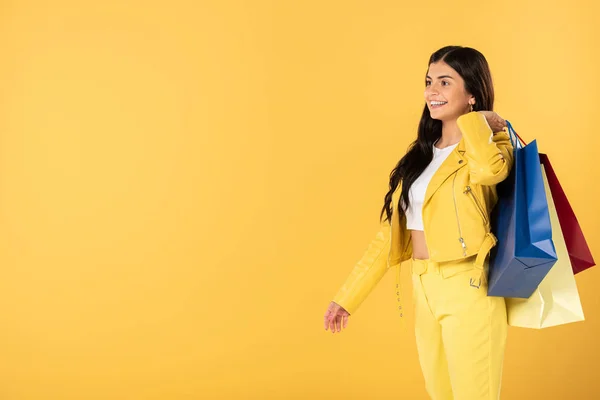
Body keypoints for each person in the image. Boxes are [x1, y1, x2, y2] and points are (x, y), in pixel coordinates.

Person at [323, 45, 514, 400]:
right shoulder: (420, 156)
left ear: (472, 93)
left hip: (468, 286)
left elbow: (489, 172)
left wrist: (478, 124)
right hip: (423, 287)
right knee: (439, 392)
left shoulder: (489, 145)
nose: (432, 92)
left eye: (445, 82)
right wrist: (346, 298)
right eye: (429, 82)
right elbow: (390, 236)